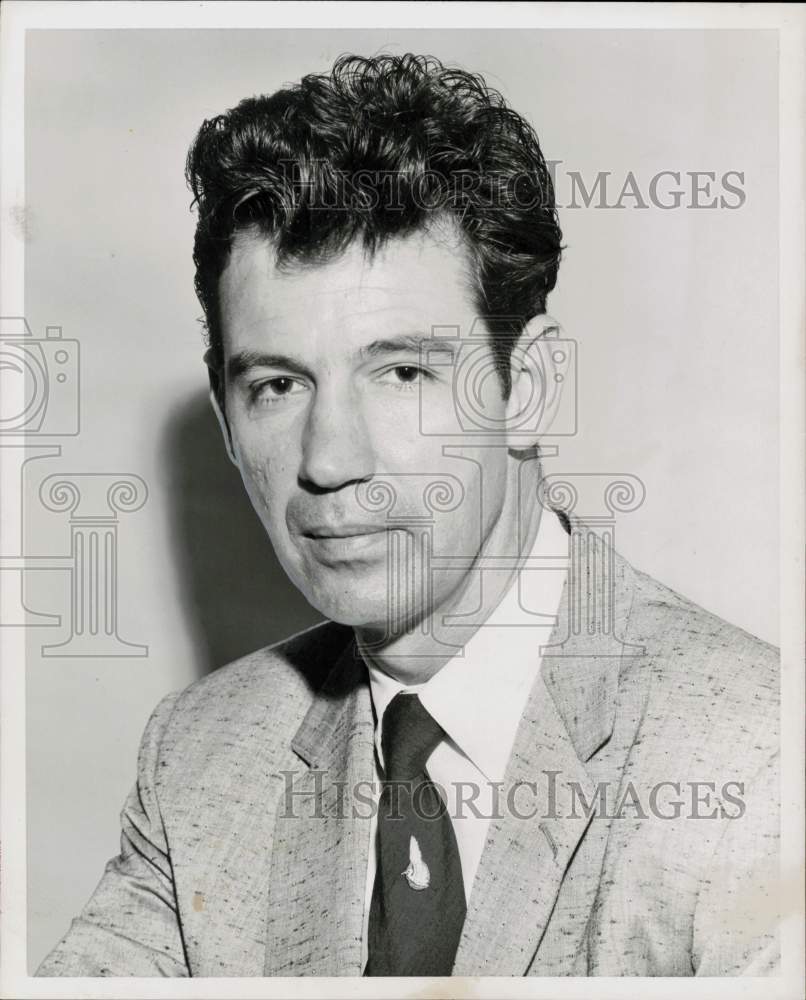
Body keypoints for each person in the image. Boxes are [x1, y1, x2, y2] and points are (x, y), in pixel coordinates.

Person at [37, 52, 779, 978]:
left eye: (402, 373)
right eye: (276, 385)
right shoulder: (201, 762)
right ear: (227, 418)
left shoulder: (759, 756)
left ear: (532, 388)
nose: (328, 460)